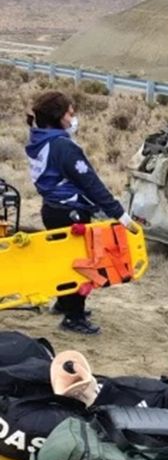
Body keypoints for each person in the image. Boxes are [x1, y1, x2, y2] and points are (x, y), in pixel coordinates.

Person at [25, 91, 139, 335]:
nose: (72, 117)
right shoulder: (62, 146)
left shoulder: (38, 139)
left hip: (52, 209)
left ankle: (64, 303)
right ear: (58, 116)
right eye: (69, 113)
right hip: (71, 212)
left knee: (63, 261)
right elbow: (91, 183)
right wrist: (120, 214)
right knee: (80, 264)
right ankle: (73, 317)